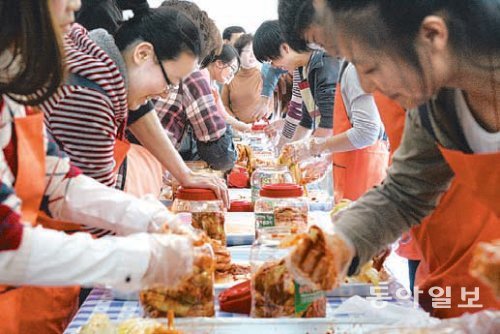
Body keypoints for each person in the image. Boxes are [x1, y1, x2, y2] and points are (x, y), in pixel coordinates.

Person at [285, 0, 500, 319]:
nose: (368, 86)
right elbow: (404, 192)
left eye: (370, 67)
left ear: (432, 35)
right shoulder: (437, 101)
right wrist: (343, 242)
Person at [0, 0, 198, 332]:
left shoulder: (17, 96)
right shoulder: (87, 91)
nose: (76, 5)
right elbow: (7, 247)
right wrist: (139, 258)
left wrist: (148, 217)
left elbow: (62, 180)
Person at [42, 1, 229, 205]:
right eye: (169, 83)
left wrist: (184, 174)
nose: (165, 95)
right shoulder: (91, 98)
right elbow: (98, 208)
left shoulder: (100, 59)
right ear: (142, 54)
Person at [155, 45, 244, 171]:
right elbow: (219, 153)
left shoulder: (174, 65)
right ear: (219, 63)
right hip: (152, 157)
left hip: (152, 152)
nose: (232, 76)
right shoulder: (196, 75)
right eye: (233, 69)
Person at [253, 20, 339, 150]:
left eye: (272, 60)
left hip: (345, 150)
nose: (274, 66)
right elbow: (305, 121)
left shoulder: (323, 64)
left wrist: (305, 151)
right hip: (331, 149)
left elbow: (329, 125)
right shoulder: (301, 70)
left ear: (285, 48)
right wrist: (284, 150)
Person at [221, 34, 265, 124]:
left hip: (259, 127)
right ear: (239, 53)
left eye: (255, 51)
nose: (253, 55)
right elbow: (224, 105)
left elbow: (271, 104)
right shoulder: (230, 76)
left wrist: (259, 122)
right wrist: (236, 122)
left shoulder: (264, 75)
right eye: (248, 51)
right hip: (237, 129)